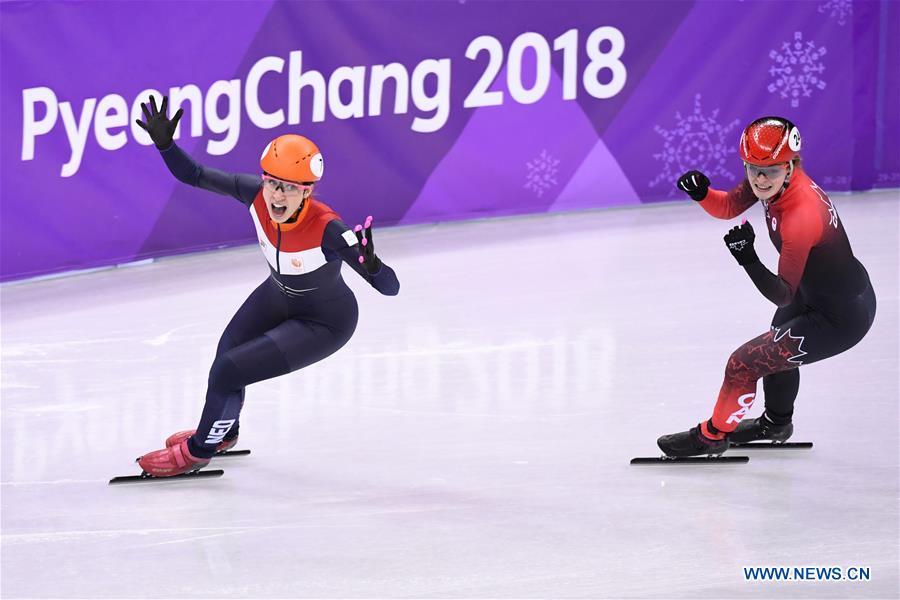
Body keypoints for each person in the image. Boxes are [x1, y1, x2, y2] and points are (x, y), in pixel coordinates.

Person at [133, 95, 400, 476]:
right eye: (273, 184)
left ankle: (197, 451)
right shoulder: (253, 194)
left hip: (324, 322)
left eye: (290, 188)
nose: (277, 195)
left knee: (228, 371)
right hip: (278, 294)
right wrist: (165, 145)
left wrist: (374, 267)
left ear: (307, 192)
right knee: (228, 350)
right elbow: (193, 174)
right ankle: (223, 430)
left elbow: (391, 289)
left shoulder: (329, 229)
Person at [658, 116, 876, 457]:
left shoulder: (800, 214)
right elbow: (729, 205)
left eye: (770, 170)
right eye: (751, 168)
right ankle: (776, 424)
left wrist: (748, 259)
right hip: (823, 292)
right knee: (775, 343)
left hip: (840, 317)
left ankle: (713, 435)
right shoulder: (776, 179)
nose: (760, 178)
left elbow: (783, 292)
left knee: (743, 363)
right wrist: (703, 194)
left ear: (790, 165)